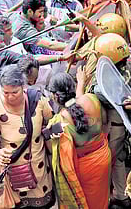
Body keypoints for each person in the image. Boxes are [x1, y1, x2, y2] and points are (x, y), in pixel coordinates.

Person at [0, 65, 56, 209]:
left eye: (14, 92)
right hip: (12, 173)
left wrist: (51, 132)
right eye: (6, 93)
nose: (10, 97)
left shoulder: (38, 100)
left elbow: (51, 123)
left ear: (23, 86)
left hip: (39, 170)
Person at [45, 73, 110, 209]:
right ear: (73, 87)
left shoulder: (59, 121)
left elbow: (52, 149)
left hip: (84, 167)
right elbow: (104, 121)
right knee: (101, 200)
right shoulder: (92, 99)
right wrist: (81, 83)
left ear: (55, 96)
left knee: (86, 202)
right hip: (103, 157)